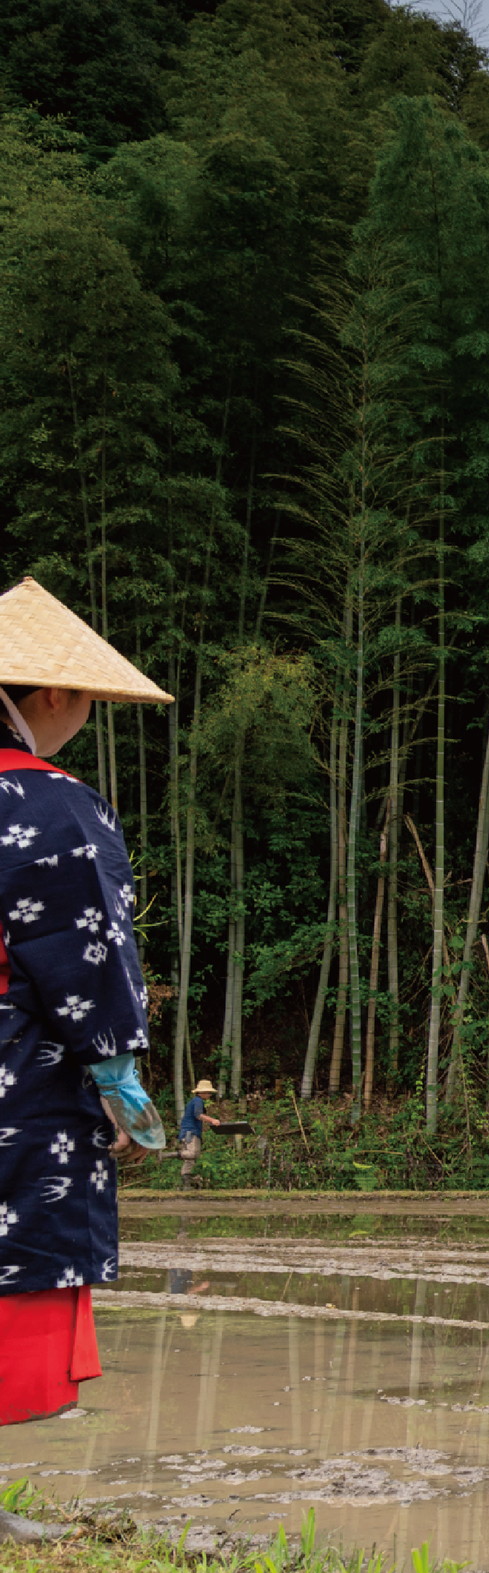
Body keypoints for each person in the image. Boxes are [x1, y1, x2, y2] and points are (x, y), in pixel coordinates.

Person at [0, 579, 173, 1428]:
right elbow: (87, 953)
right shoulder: (53, 803)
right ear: (57, 694)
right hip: (15, 1073)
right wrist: (117, 1076)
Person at [177, 1079, 226, 1189]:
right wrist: (212, 1120)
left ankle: (187, 1184)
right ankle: (175, 1154)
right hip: (190, 1132)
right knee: (193, 1153)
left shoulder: (196, 1101)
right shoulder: (197, 1101)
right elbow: (198, 1115)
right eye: (208, 1093)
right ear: (202, 1093)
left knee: (191, 1160)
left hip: (191, 1131)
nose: (209, 1095)